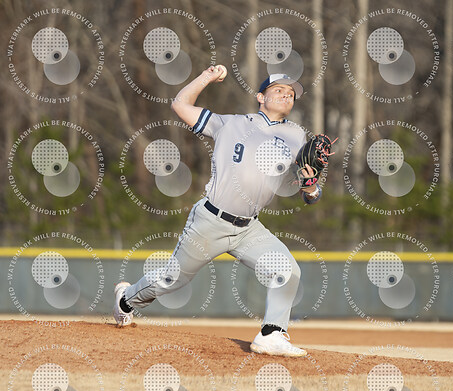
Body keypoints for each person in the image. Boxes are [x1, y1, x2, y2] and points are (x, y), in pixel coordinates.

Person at [113, 66, 324, 357]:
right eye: (278, 90)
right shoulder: (230, 123)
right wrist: (207, 77)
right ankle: (126, 298)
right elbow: (180, 105)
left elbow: (310, 194)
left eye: (291, 94)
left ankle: (272, 334)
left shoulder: (297, 136)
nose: (286, 95)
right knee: (172, 280)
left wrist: (311, 187)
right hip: (211, 221)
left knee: (287, 271)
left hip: (249, 229)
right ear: (260, 97)